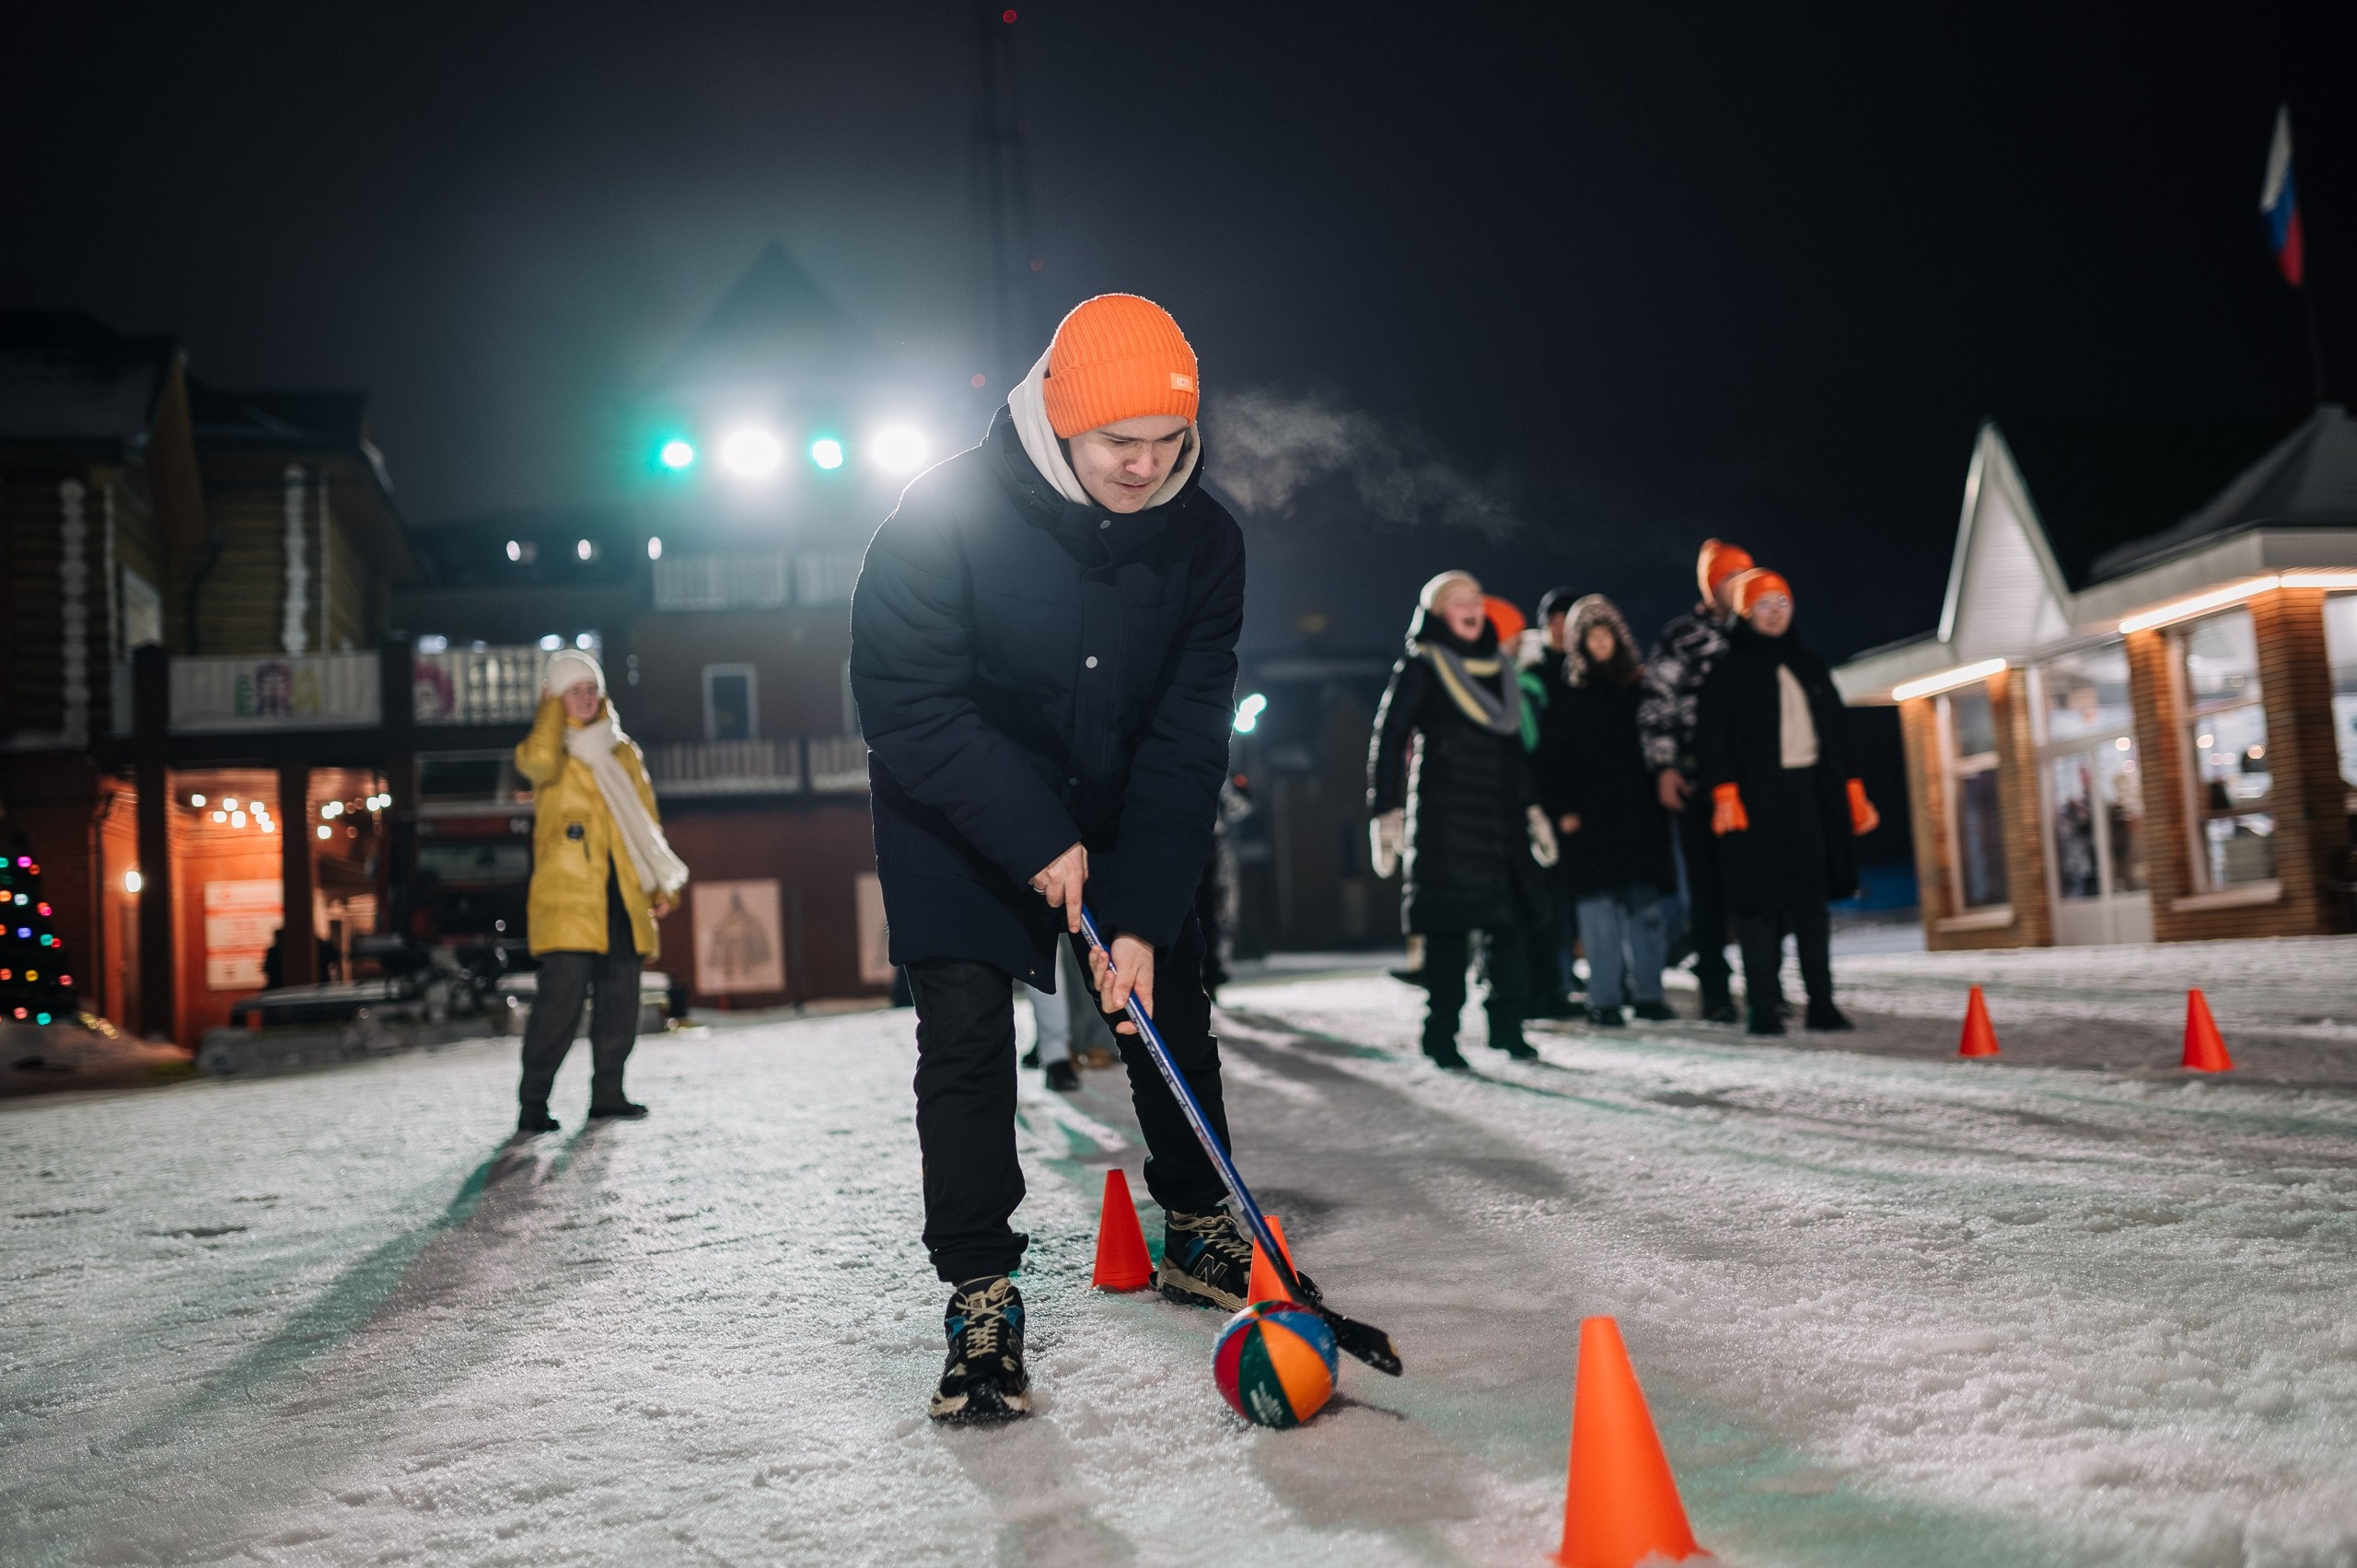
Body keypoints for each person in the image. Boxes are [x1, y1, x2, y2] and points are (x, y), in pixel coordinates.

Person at [850, 294, 1249, 1423]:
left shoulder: (1205, 539)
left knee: (1164, 998)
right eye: (1123, 442)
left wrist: (1141, 907)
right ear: (1061, 424)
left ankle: (1197, 1219)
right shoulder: (942, 514)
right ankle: (981, 1286)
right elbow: (907, 704)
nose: (1148, 464)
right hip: (950, 798)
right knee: (968, 1028)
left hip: (1122, 795)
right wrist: (1034, 838)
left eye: (1170, 443)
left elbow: (1186, 734)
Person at [1368, 570, 1557, 1068]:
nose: (1470, 605)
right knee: (1449, 938)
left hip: (1502, 822)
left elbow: (1514, 751)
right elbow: (1389, 738)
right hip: (1445, 823)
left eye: (1475, 597)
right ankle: (1441, 1036)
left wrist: (1534, 809)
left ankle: (1508, 1028)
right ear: (1437, 614)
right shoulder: (1422, 665)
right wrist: (1385, 811)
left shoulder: (1500, 668)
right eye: (1457, 600)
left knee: (1510, 930)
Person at [1694, 569, 1880, 1035]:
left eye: (1783, 603)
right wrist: (1723, 792)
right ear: (1744, 611)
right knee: (1759, 906)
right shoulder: (1727, 669)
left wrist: (1853, 788)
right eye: (1763, 605)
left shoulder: (1808, 664)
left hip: (1810, 796)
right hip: (1755, 800)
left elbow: (1836, 732)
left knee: (1810, 902)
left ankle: (1822, 1003)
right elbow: (1711, 737)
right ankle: (1763, 1005)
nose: (1775, 614)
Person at [511, 649, 687, 1133]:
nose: (585, 698)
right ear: (554, 698)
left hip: (622, 893)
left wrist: (658, 883)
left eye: (591, 689)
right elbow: (538, 765)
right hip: (568, 900)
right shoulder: (547, 750)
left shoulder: (622, 750)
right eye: (574, 690)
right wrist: (549, 712)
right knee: (558, 1009)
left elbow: (645, 820)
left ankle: (608, 1094)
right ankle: (532, 1104)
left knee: (620, 1003)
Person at [1542, 595, 1678, 1026]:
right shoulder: (1567, 695)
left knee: (1645, 906)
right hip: (1590, 817)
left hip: (1640, 813)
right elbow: (1554, 759)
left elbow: (1660, 742)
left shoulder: (1641, 688)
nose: (1601, 644)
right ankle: (1604, 999)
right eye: (1591, 636)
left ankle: (1650, 994)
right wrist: (1563, 808)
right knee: (1598, 910)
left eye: (1607, 635)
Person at [1636, 540, 1753, 1024]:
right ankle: (1716, 990)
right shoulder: (1682, 637)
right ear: (1712, 585)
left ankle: (1764, 981)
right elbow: (1656, 705)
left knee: (1757, 885)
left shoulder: (1756, 632)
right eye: (1731, 579)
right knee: (1706, 892)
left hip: (1753, 777)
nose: (1741, 587)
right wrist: (1665, 767)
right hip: (1696, 776)